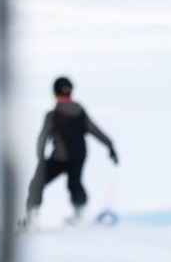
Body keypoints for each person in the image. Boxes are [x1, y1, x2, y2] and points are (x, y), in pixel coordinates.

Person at [23, 77, 118, 225]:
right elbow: (95, 130)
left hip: (60, 158)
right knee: (75, 184)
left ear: (54, 93)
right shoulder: (80, 112)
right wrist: (110, 145)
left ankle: (32, 218)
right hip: (79, 156)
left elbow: (42, 138)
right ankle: (80, 214)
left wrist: (41, 158)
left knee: (38, 183)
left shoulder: (52, 115)